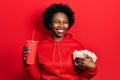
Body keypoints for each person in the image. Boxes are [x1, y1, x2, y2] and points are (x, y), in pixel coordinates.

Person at [23, 3, 97, 80]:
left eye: (65, 22)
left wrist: (92, 68)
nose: (61, 25)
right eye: (57, 22)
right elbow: (37, 78)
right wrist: (27, 63)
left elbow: (83, 77)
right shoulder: (40, 47)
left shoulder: (77, 46)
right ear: (50, 24)